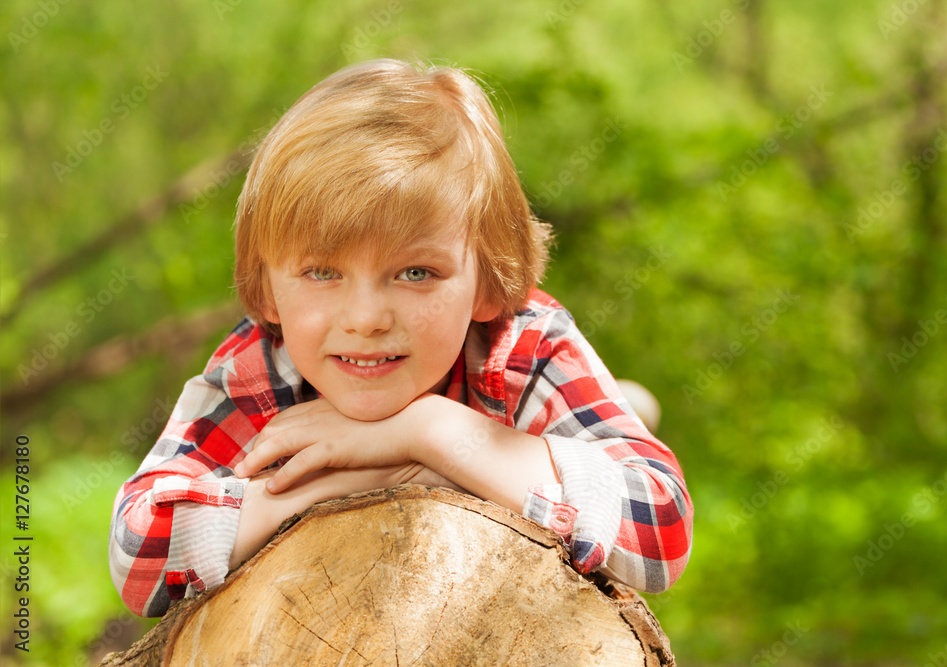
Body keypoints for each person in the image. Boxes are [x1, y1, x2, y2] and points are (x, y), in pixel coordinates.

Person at [109, 59, 693, 618]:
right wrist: (345, 480)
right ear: (266, 290)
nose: (365, 319)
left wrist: (428, 432)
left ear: (489, 282)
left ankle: (621, 400)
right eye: (321, 272)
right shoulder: (259, 370)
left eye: (415, 273)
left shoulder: (524, 350)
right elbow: (138, 554)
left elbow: (662, 531)